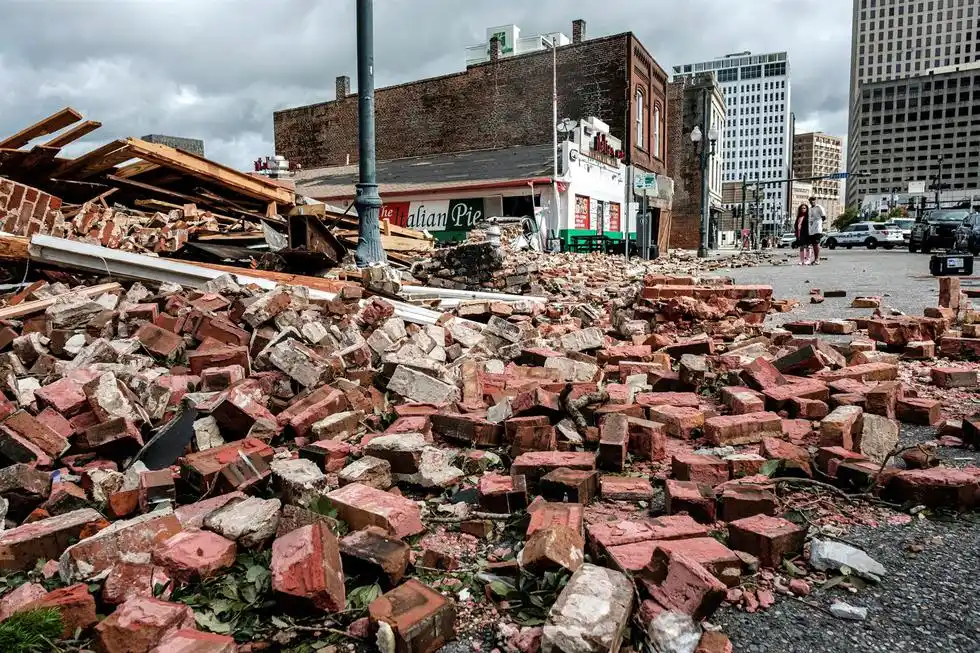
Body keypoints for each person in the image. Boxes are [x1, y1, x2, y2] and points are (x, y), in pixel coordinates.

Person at [807, 196, 826, 265]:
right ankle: (815, 259)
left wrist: (819, 223)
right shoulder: (809, 208)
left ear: (815, 200)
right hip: (811, 228)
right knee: (813, 244)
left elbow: (824, 217)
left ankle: (817, 259)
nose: (812, 201)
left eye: (813, 200)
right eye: (810, 200)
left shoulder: (819, 207)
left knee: (816, 243)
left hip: (817, 228)